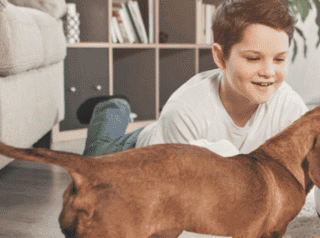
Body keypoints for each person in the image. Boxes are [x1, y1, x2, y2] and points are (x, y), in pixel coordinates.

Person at [77, 0, 307, 157]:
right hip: (141, 156)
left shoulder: (290, 108)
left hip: (172, 135)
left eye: (279, 59)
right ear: (220, 57)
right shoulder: (185, 110)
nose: (269, 72)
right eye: (253, 58)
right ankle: (112, 107)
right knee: (94, 170)